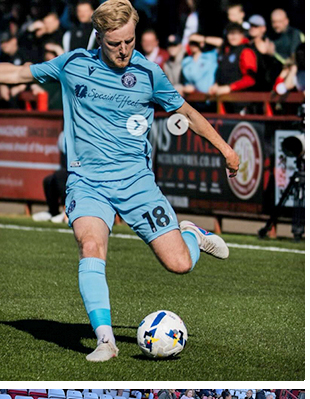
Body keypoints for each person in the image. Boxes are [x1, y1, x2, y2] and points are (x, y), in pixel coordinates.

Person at [0, 0, 240, 362]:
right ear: (99, 38)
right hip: (87, 182)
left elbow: (188, 113)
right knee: (91, 246)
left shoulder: (149, 74)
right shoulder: (73, 65)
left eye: (130, 41)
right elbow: (18, 74)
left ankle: (191, 234)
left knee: (179, 264)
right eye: (115, 43)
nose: (124, 49)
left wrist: (226, 149)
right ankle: (105, 341)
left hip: (136, 184)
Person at [209, 22, 257, 96]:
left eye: (236, 34)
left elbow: (250, 79)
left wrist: (230, 88)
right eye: (230, 34)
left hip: (241, 97)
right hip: (224, 97)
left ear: (242, 35)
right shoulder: (225, 51)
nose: (233, 37)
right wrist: (216, 84)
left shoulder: (246, 51)